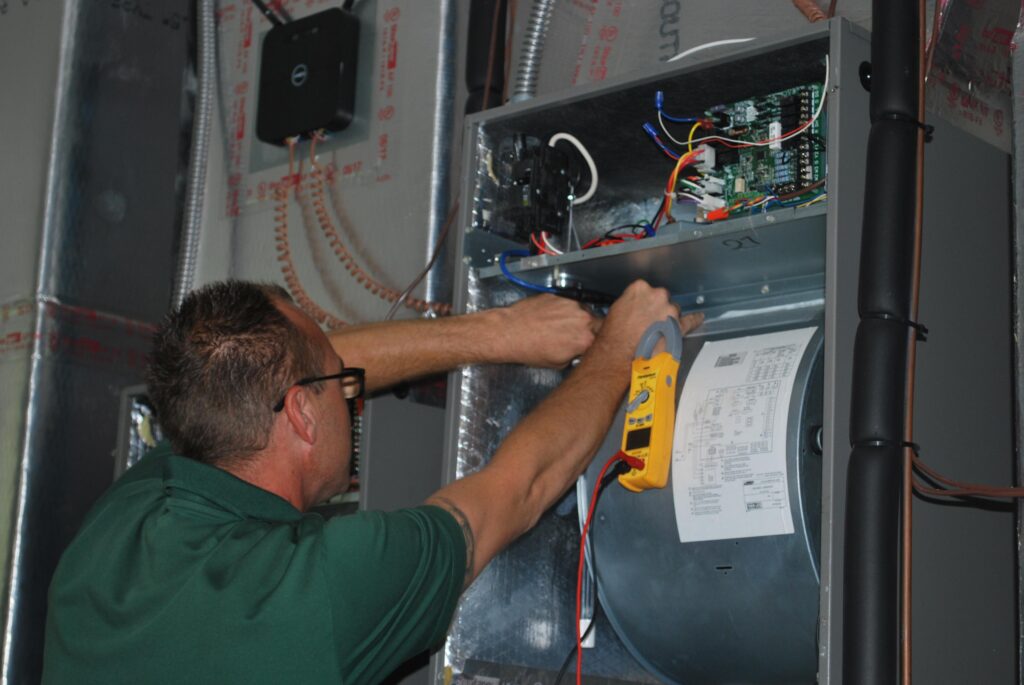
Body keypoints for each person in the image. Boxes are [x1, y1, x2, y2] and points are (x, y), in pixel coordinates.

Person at [42, 279, 701, 684]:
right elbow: (519, 487)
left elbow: (270, 373)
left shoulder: (115, 530)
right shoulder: (325, 587)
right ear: (302, 411)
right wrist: (619, 349)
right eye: (342, 386)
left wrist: (501, 332)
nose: (352, 397)